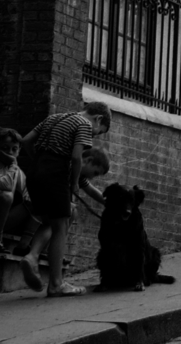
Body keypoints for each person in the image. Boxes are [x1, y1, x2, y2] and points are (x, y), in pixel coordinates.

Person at [18, 102, 113, 296]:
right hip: (55, 173)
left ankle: (32, 256)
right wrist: (73, 183)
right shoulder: (84, 124)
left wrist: (39, 161)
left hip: (35, 173)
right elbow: (77, 157)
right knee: (61, 226)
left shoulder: (55, 117)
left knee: (51, 221)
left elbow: (26, 141)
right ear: (98, 119)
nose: (94, 136)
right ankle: (56, 284)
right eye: (98, 132)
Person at [0, 129, 41, 287]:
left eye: (15, 149)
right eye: (5, 148)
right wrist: (13, 164)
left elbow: (28, 190)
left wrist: (30, 198)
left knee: (39, 200)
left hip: (3, 219)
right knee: (6, 196)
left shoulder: (16, 171)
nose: (11, 152)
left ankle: (24, 246)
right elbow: (5, 185)